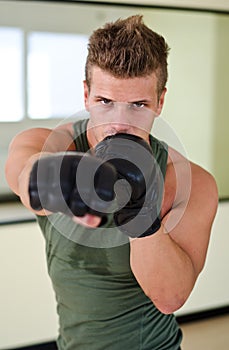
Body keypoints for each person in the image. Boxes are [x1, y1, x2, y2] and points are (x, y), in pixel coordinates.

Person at [5, 15, 218, 350]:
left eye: (138, 105)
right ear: (87, 94)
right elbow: (25, 177)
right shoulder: (48, 143)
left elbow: (170, 298)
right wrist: (60, 174)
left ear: (160, 102)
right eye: (105, 102)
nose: (120, 123)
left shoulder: (192, 182)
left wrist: (141, 213)